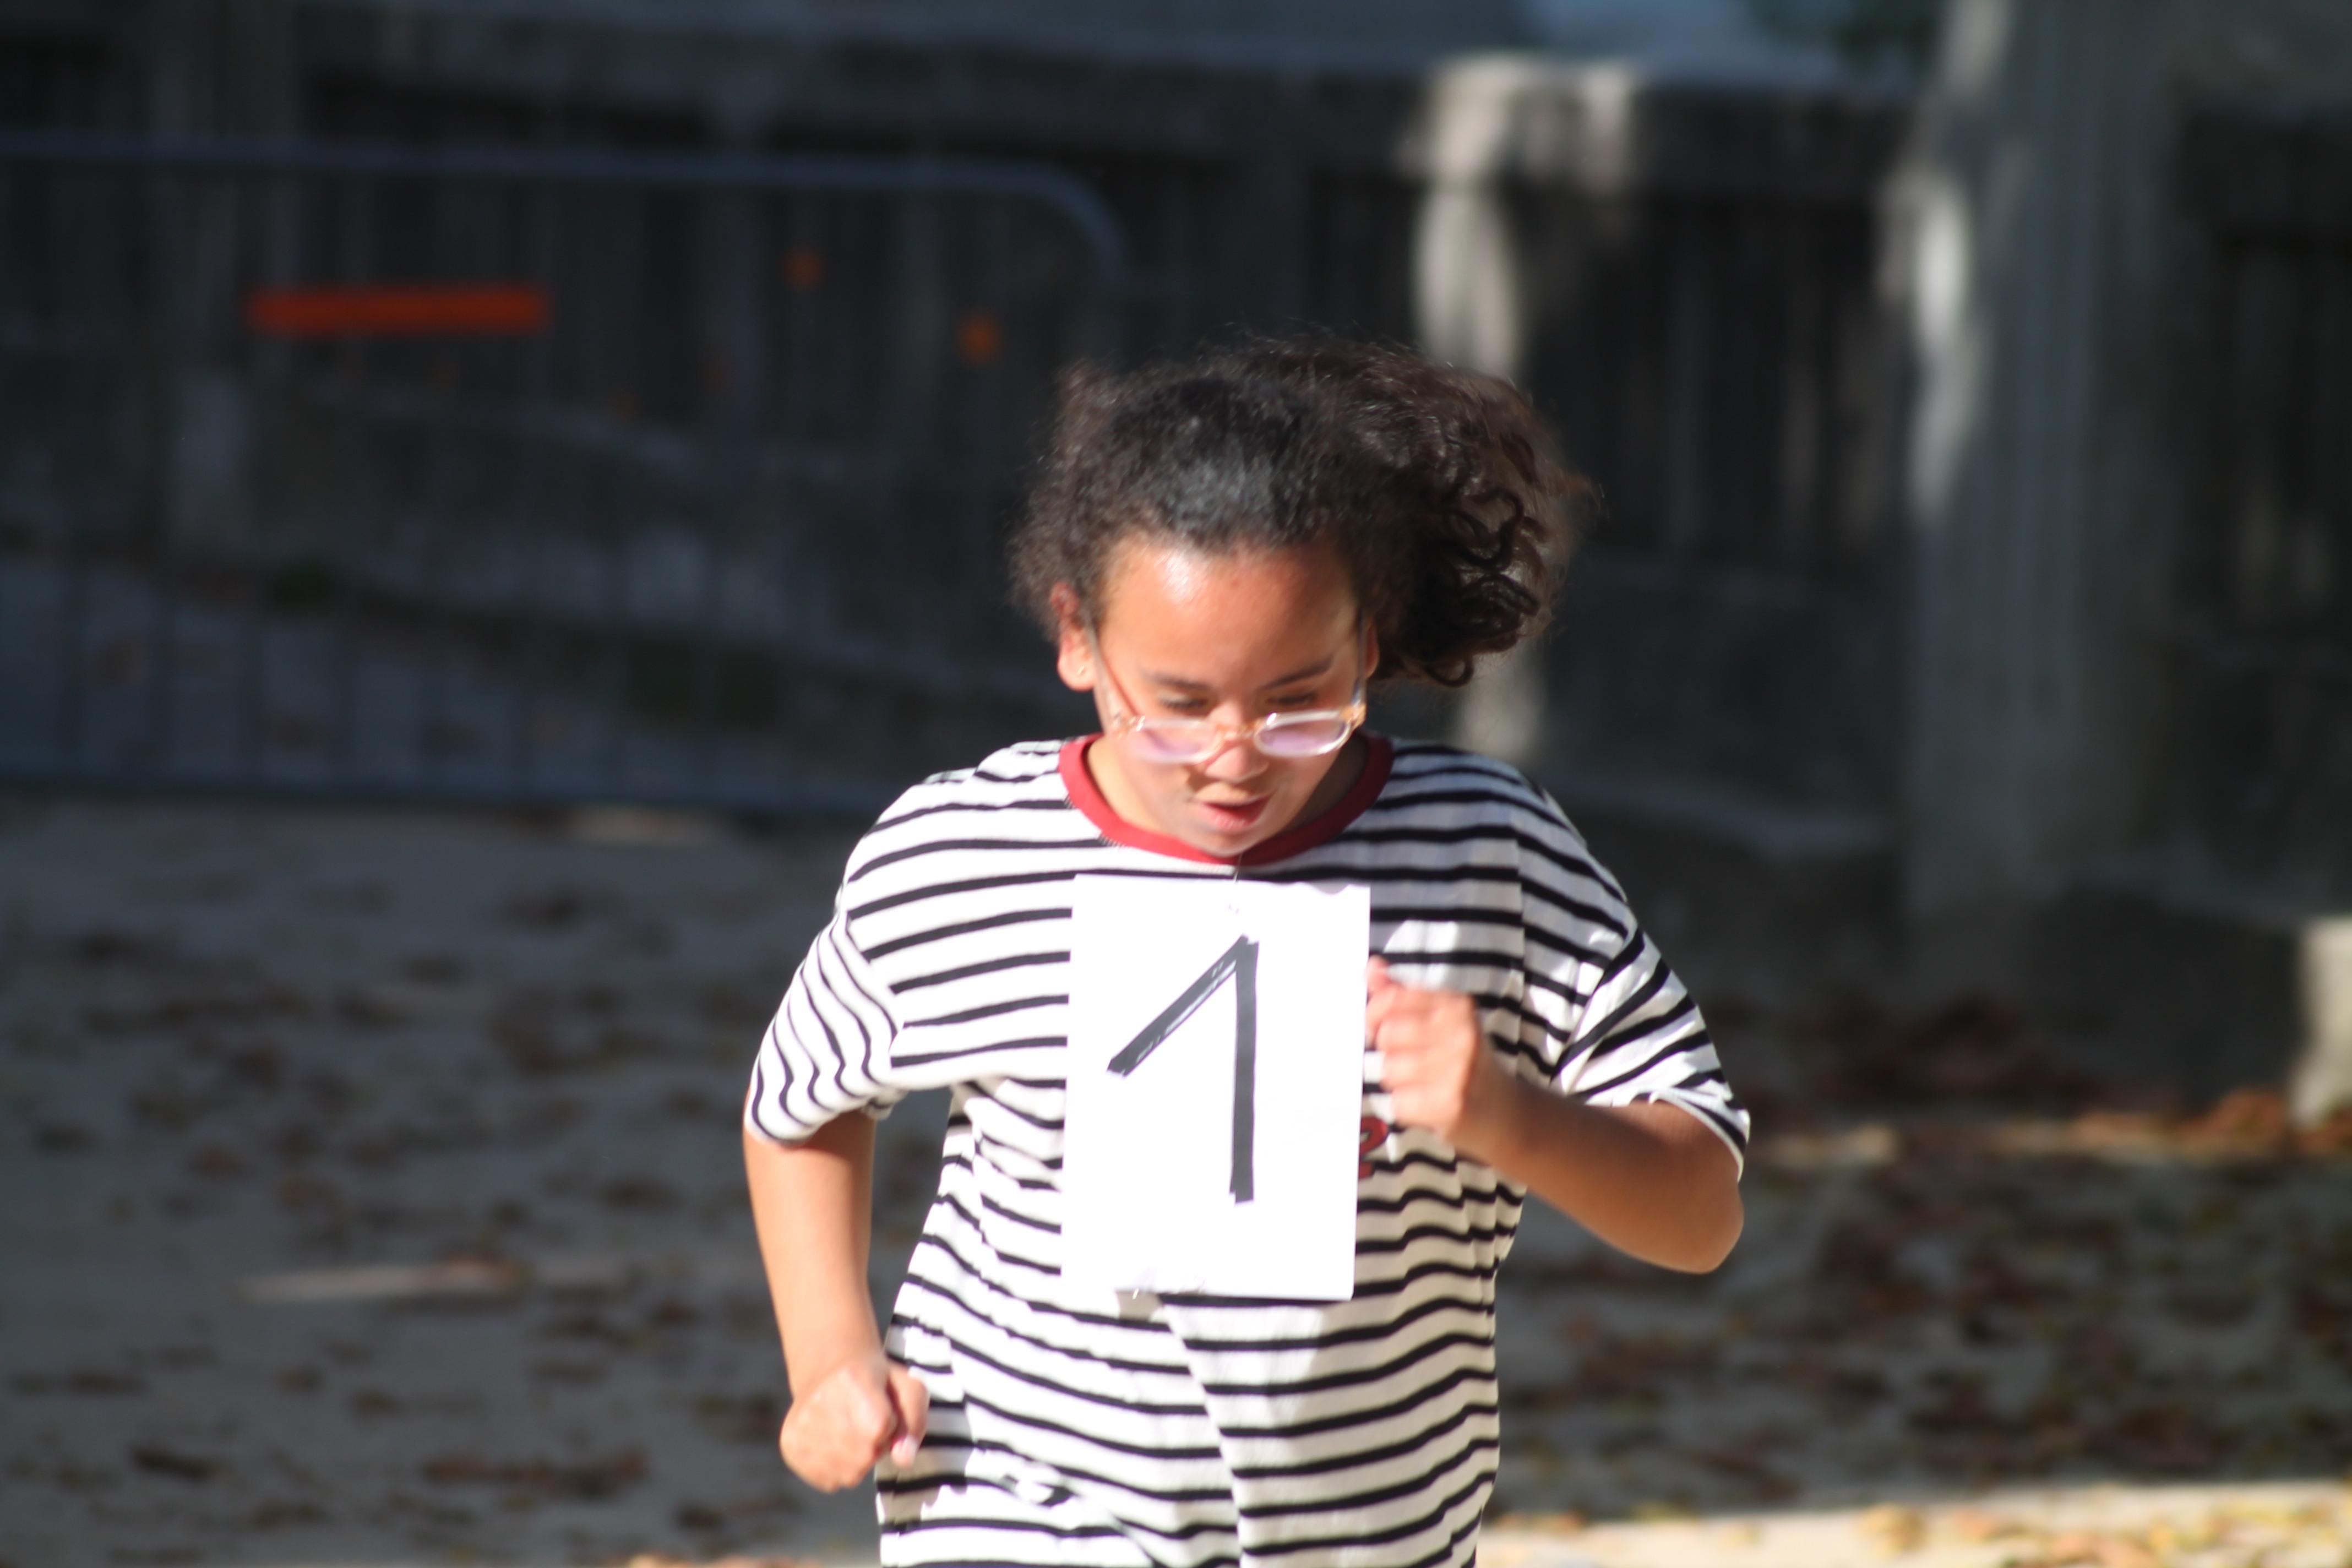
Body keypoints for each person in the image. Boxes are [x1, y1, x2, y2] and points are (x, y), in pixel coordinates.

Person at [743, 339, 1747, 1568]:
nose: (1236, 755)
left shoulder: (1492, 854)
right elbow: (799, 1104)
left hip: (1371, 1532)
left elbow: (1702, 1211)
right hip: (1016, 1503)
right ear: (1077, 637)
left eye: (1297, 698)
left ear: (1369, 640)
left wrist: (1509, 1116)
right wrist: (830, 1356)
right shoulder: (959, 853)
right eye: (1178, 704)